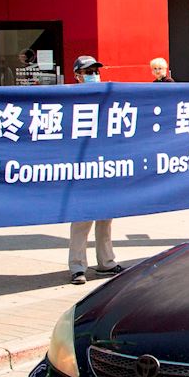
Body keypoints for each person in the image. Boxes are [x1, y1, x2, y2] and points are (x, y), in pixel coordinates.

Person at [68, 54, 121, 284]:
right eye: (88, 72)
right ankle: (77, 267)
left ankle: (106, 263)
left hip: (104, 167)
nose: (93, 75)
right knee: (82, 221)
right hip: (82, 170)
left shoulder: (106, 96)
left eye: (95, 71)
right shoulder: (69, 99)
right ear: (77, 76)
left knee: (105, 220)